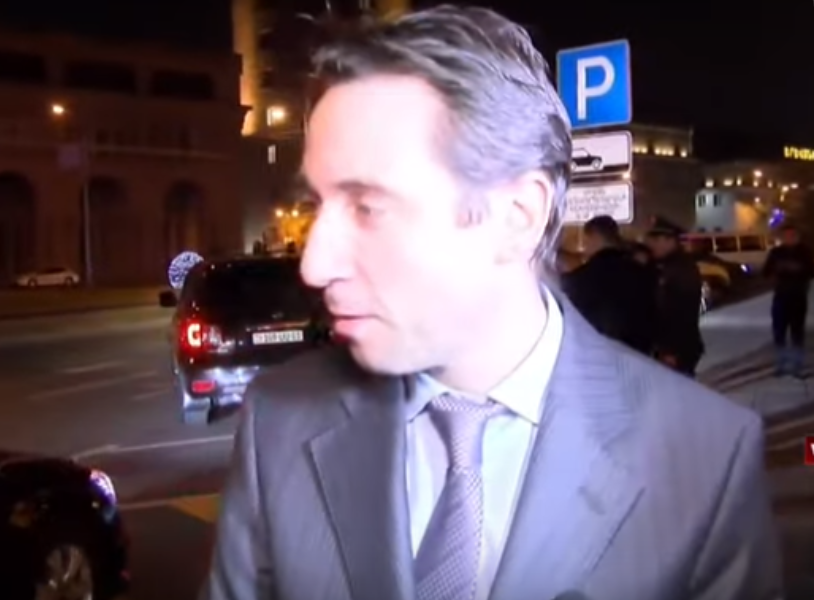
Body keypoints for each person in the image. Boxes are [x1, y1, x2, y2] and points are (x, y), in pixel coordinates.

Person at [202, 7, 780, 600]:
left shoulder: (705, 453)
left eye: (368, 207)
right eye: (319, 205)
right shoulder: (279, 418)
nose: (314, 265)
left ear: (517, 217)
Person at [562, 215, 656, 355]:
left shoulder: (581, 278)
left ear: (595, 236)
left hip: (597, 353)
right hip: (638, 353)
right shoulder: (642, 273)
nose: (584, 247)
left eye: (586, 240)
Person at [645, 216, 706, 376]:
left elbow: (681, 312)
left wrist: (671, 350)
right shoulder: (667, 266)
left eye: (656, 240)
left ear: (670, 240)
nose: (652, 245)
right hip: (670, 348)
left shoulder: (680, 269)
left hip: (677, 349)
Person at [762, 224, 814, 376]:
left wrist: (798, 269)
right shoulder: (776, 252)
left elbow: (811, 270)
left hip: (798, 296)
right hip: (781, 296)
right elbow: (766, 271)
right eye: (786, 236)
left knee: (797, 331)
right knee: (779, 331)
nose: (789, 238)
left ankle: (798, 365)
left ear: (797, 236)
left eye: (792, 235)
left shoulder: (804, 252)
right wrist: (778, 270)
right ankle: (781, 364)